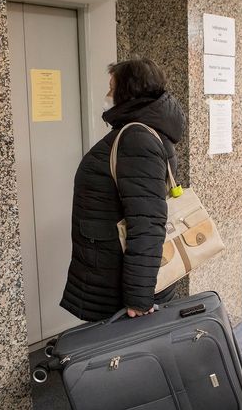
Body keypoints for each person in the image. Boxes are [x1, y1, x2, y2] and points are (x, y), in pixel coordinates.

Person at [59, 57, 186, 322]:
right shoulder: (138, 132)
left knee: (119, 359)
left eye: (111, 87)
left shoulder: (136, 138)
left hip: (118, 280)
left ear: (128, 91)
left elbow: (148, 222)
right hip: (110, 267)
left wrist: (139, 297)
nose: (107, 95)